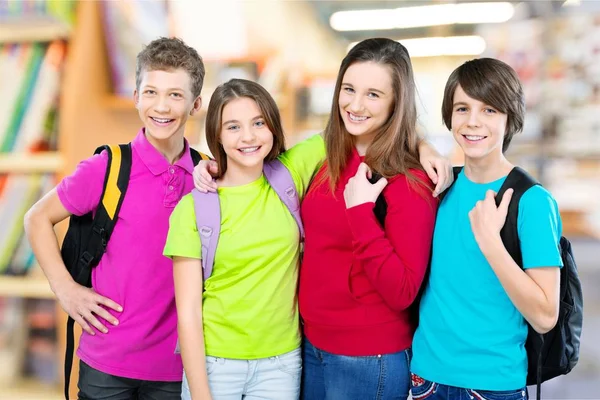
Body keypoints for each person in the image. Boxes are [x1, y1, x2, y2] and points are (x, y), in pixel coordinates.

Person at [23, 37, 205, 399]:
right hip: (106, 363)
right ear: (136, 96)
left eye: (175, 95)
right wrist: (66, 289)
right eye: (151, 92)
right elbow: (36, 218)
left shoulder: (206, 176)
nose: (161, 106)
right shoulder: (107, 168)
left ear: (196, 104)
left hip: (178, 366)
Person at [163, 78, 326, 400]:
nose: (248, 137)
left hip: (281, 364)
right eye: (233, 127)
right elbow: (189, 313)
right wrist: (200, 394)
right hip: (216, 365)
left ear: (273, 127)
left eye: (258, 123)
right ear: (217, 136)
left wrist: (424, 145)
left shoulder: (290, 173)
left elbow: (359, 126)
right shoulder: (193, 208)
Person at [410, 58, 562, 400]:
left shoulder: (532, 201)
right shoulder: (441, 184)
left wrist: (491, 244)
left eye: (490, 110)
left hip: (492, 385)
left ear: (510, 119)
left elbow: (544, 315)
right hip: (425, 378)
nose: (473, 122)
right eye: (462, 108)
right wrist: (422, 145)